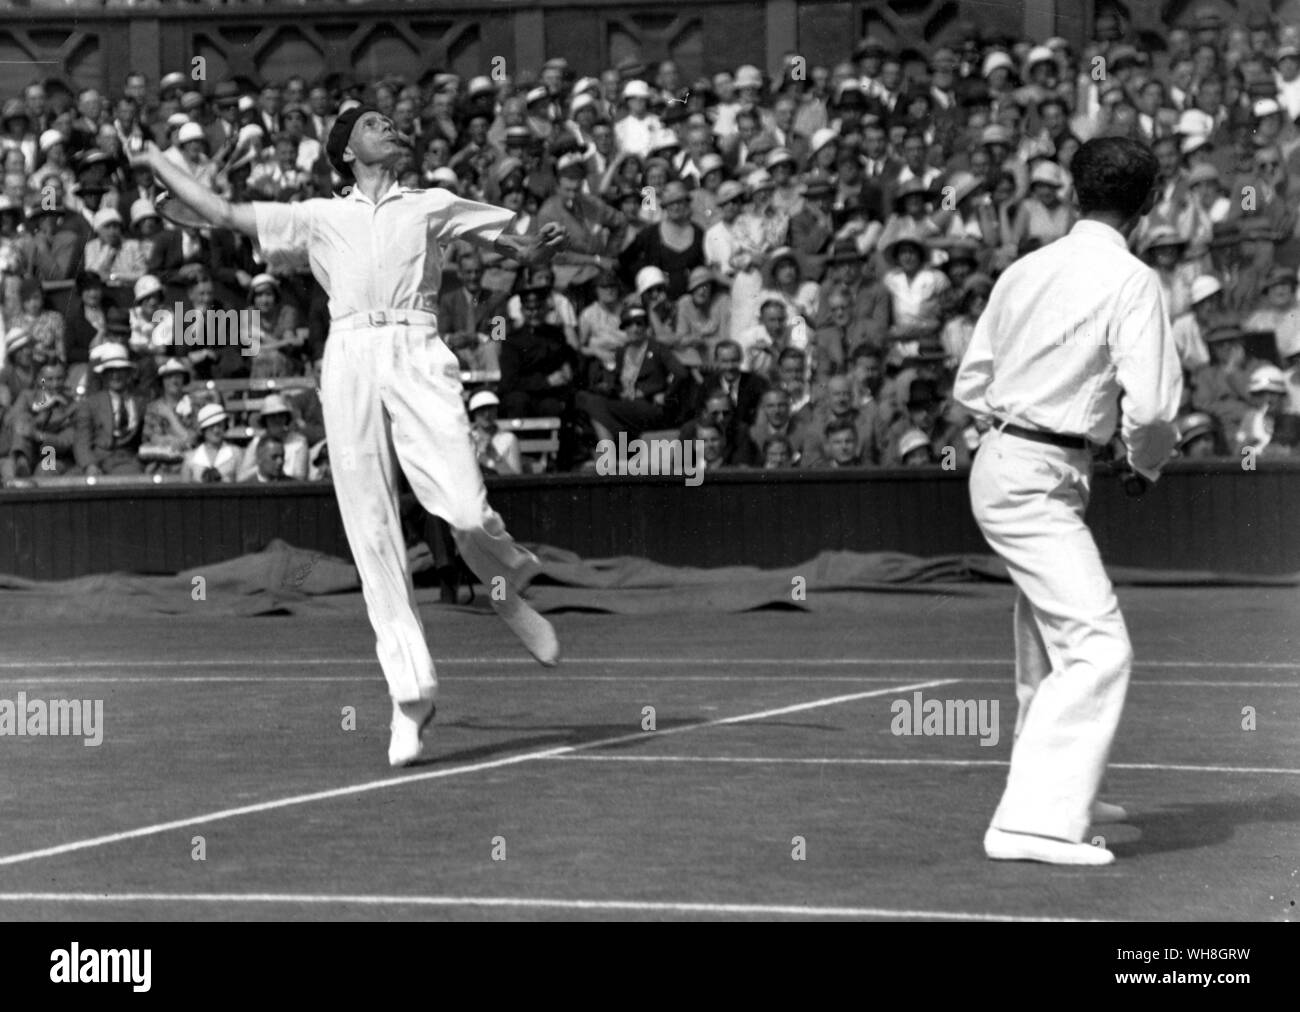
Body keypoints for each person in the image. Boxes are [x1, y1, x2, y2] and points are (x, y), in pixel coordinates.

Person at [134, 104, 569, 767]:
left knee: (464, 508)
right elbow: (220, 211)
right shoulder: (317, 215)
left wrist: (527, 246)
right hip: (349, 356)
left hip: (418, 349)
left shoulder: (433, 203)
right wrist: (151, 156)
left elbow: (515, 237)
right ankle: (411, 694)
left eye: (394, 120)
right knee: (370, 529)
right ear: (347, 151)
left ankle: (506, 589)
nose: (391, 125)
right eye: (373, 123)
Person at [954, 136, 1181, 866]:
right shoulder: (1133, 278)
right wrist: (1143, 463)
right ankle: (1035, 824)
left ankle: (1066, 790)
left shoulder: (1025, 269)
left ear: (1077, 193)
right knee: (1099, 644)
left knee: (1051, 639)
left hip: (1012, 461)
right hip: (1035, 477)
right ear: (1150, 203)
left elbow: (971, 382)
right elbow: (1150, 411)